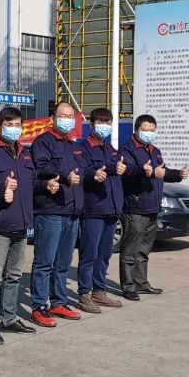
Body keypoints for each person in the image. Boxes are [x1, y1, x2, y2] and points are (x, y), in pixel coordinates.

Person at [0, 107, 37, 345]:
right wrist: (2, 193)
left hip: (21, 225)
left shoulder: (25, 153)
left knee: (13, 276)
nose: (14, 129)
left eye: (17, 125)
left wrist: (49, 185)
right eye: (9, 124)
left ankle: (9, 318)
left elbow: (32, 183)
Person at [118, 114, 188, 301]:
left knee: (144, 250)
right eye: (145, 130)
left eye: (152, 130)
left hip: (152, 207)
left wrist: (178, 174)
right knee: (130, 250)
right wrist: (145, 172)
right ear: (136, 130)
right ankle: (128, 287)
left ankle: (141, 283)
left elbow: (161, 172)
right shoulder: (127, 150)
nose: (149, 133)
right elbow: (127, 173)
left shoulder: (154, 150)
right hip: (135, 208)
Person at [29, 102, 84, 327]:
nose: (67, 120)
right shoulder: (43, 142)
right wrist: (63, 176)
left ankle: (58, 302)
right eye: (63, 115)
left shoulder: (73, 145)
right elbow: (41, 169)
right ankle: (39, 306)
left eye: (70, 116)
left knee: (63, 262)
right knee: (45, 262)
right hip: (50, 210)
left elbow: (82, 171)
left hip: (72, 211)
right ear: (53, 119)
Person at [76, 108, 126, 314]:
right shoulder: (83, 147)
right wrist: (98, 173)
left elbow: (119, 170)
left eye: (108, 122)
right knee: (89, 254)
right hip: (93, 209)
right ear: (92, 124)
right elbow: (83, 170)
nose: (104, 126)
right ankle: (84, 294)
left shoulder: (111, 148)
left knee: (104, 254)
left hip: (111, 209)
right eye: (101, 122)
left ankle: (99, 291)